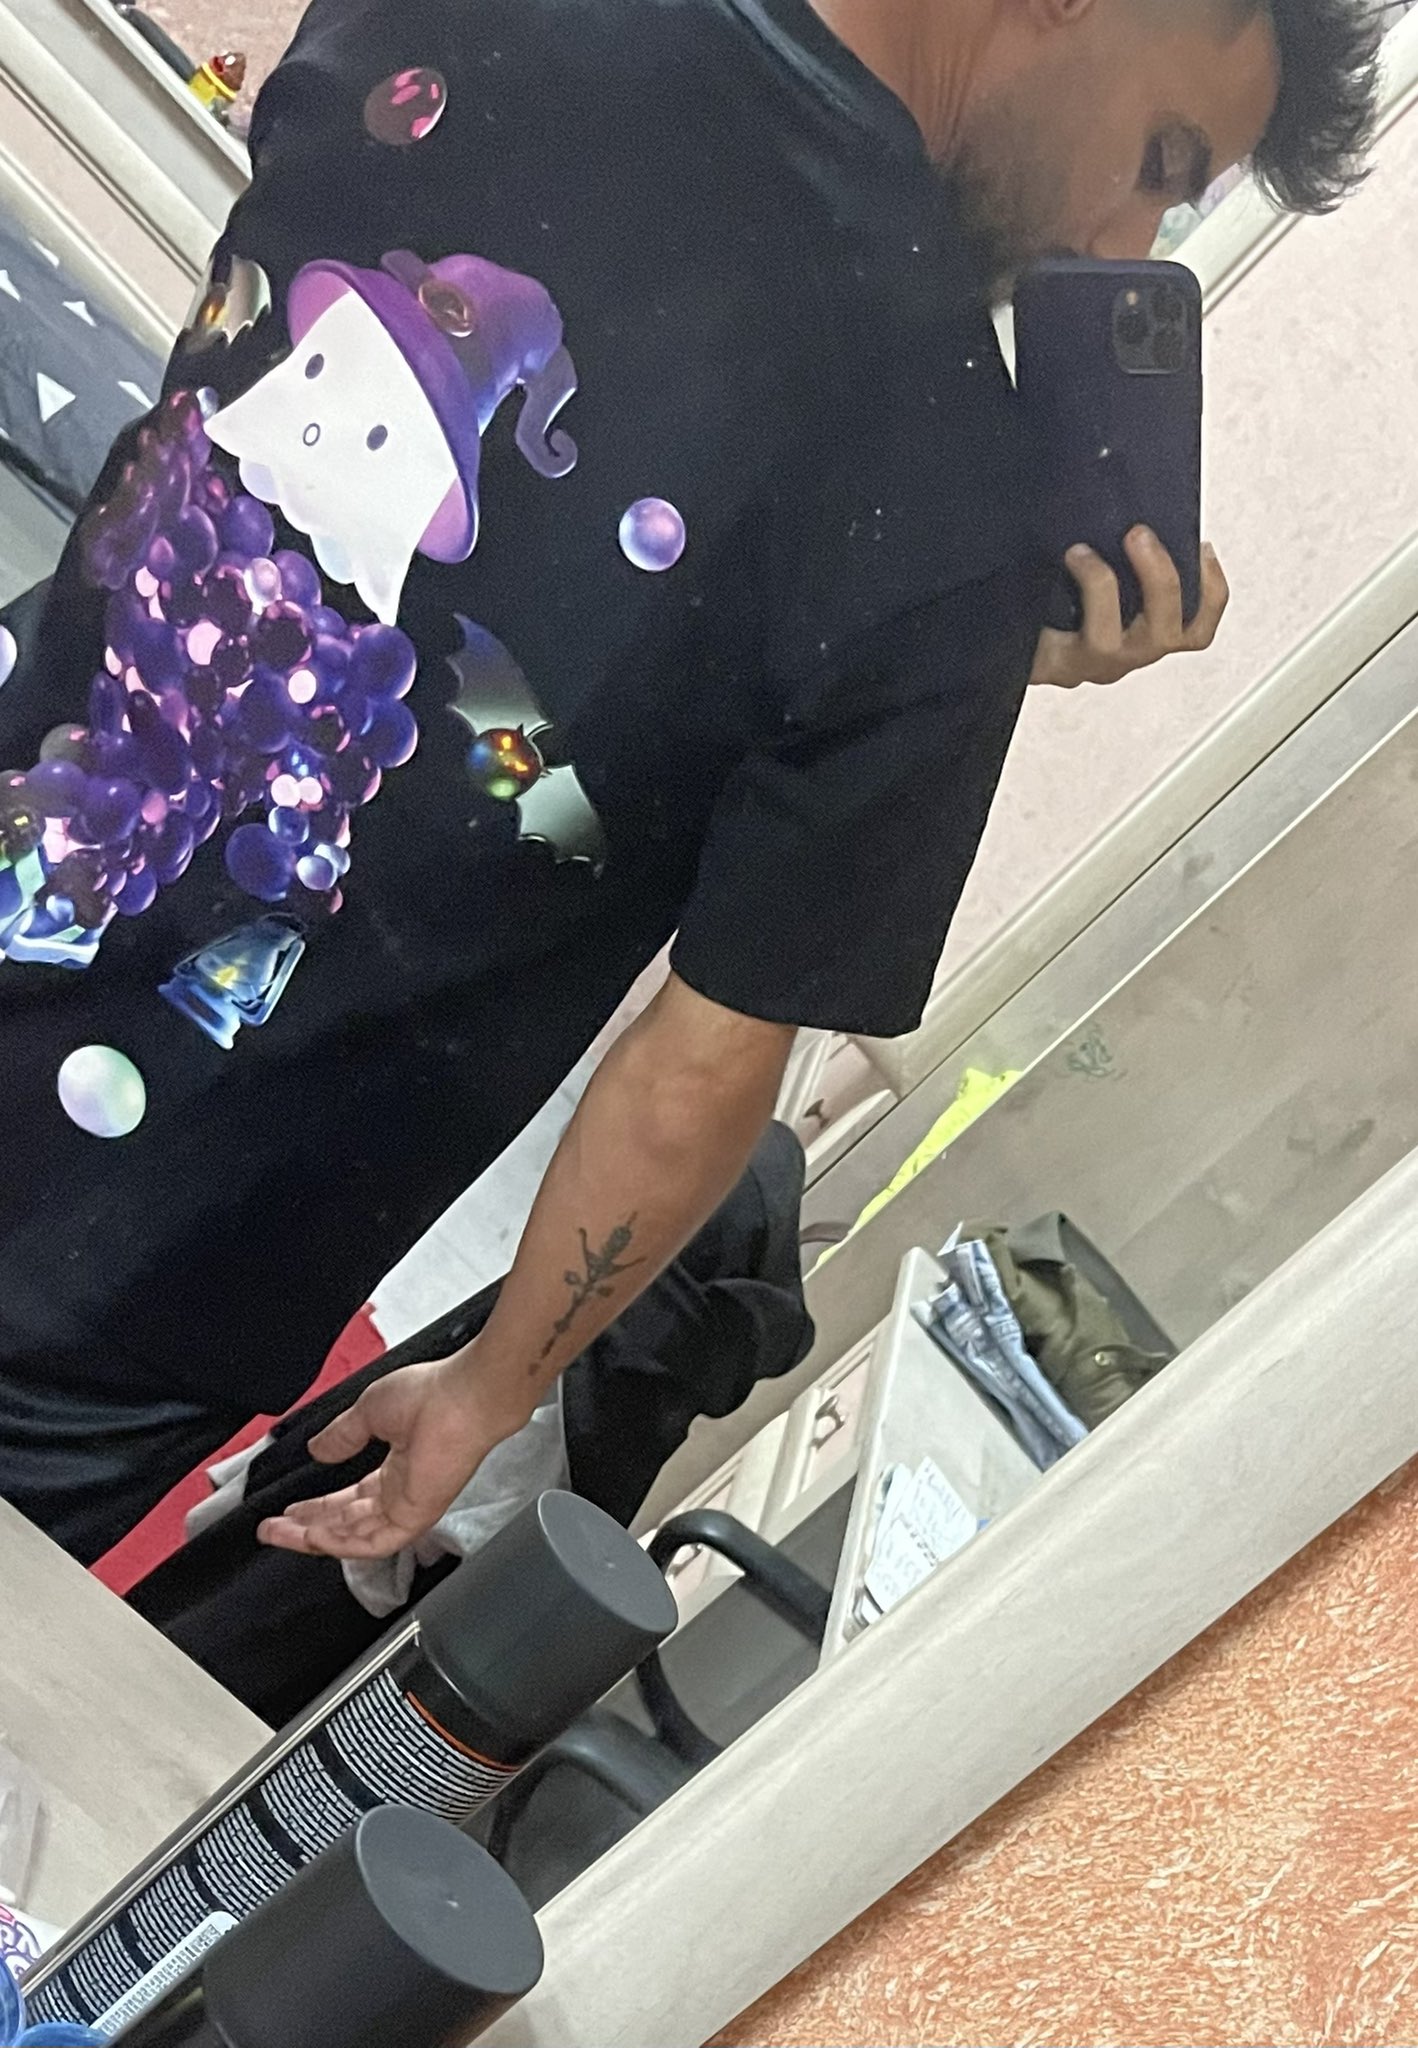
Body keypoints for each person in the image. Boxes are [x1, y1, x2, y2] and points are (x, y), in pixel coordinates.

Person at [0, 0, 1379, 1565]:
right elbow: (700, 1063)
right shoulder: (948, 502)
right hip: (133, 1271)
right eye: (1159, 162)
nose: (1117, 239)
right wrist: (488, 1388)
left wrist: (942, 664)